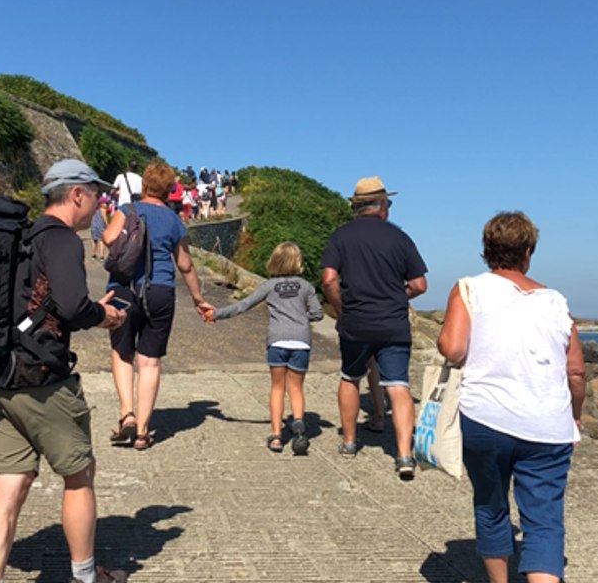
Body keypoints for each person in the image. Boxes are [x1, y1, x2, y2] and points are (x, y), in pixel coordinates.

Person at [0, 159, 129, 583]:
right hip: (41, 381)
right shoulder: (61, 239)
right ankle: (85, 576)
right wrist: (106, 315)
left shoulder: (19, 236)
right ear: (76, 194)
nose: (99, 204)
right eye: (96, 195)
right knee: (79, 476)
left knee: (8, 490)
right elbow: (73, 307)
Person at [436, 211, 584, 583]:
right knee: (544, 520)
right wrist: (575, 415)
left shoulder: (468, 289)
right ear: (528, 251)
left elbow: (453, 349)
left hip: (484, 416)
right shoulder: (555, 301)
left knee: (491, 505)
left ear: (486, 249)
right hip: (548, 424)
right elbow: (576, 373)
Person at [102, 161, 214, 451]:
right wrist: (198, 299)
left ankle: (127, 414)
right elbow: (186, 265)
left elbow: (108, 238)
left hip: (124, 289)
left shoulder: (127, 210)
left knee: (122, 352)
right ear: (169, 190)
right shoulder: (174, 220)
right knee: (149, 361)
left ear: (144, 185)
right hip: (161, 291)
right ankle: (142, 432)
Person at [321, 175, 427, 479]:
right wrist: (396, 296)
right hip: (393, 323)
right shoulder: (400, 238)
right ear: (381, 205)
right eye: (388, 203)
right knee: (398, 385)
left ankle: (349, 442)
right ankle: (404, 455)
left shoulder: (340, 236)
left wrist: (342, 310)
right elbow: (419, 284)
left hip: (356, 322)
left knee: (350, 377)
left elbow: (328, 279)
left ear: (356, 207)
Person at [209, 242, 324, 454]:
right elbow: (318, 314)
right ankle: (299, 426)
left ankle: (276, 436)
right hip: (301, 341)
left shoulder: (269, 286)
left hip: (277, 341)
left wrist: (216, 314)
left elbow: (243, 305)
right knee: (296, 388)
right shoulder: (306, 286)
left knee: (277, 388)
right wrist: (300, 318)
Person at [89, 191, 111, 260]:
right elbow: (104, 218)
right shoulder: (103, 209)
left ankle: (93, 255)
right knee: (101, 241)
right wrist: (107, 225)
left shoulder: (95, 208)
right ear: (101, 203)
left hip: (94, 225)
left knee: (94, 240)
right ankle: (101, 256)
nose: (107, 204)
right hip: (100, 226)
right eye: (105, 203)